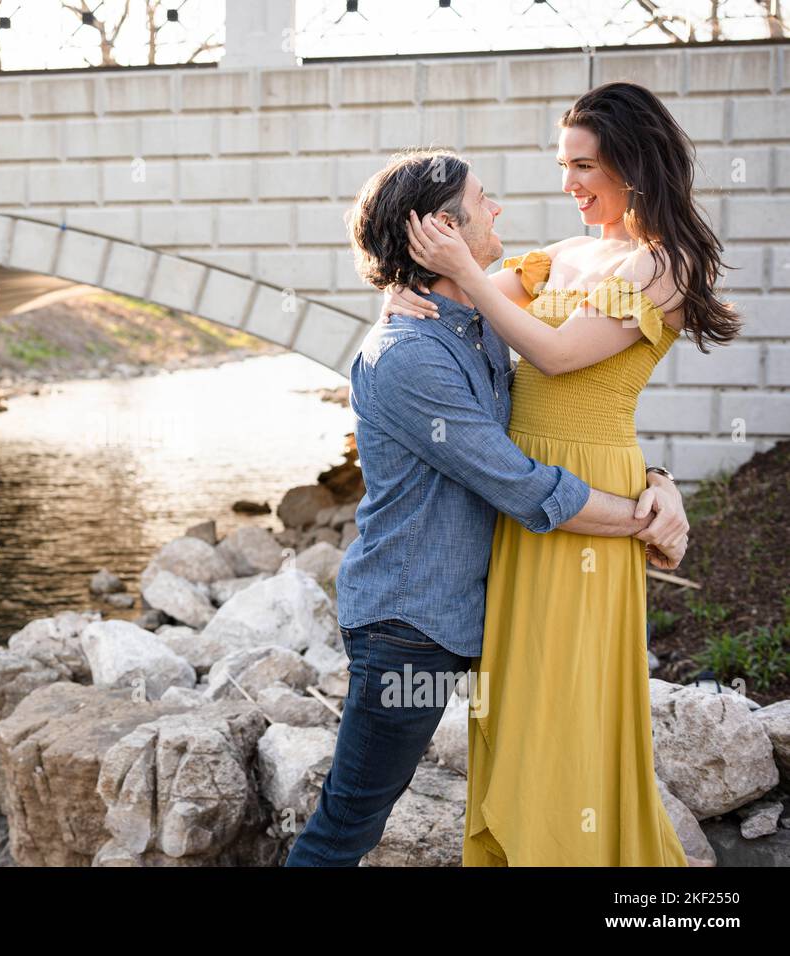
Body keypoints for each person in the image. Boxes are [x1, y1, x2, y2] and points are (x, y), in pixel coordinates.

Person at [284, 141, 689, 867]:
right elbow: (523, 483)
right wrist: (642, 519)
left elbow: (565, 413)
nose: (500, 208)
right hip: (413, 623)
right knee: (351, 818)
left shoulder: (471, 331)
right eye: (482, 202)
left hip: (490, 601)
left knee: (528, 754)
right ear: (439, 230)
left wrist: (656, 479)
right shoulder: (409, 356)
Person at [382, 82, 739, 865]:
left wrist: (468, 282)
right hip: (518, 493)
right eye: (562, 165)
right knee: (515, 700)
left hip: (588, 491)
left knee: (568, 695)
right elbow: (457, 309)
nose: (567, 184)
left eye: (583, 165)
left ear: (633, 163)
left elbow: (557, 354)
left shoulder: (665, 265)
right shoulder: (565, 255)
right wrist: (403, 296)